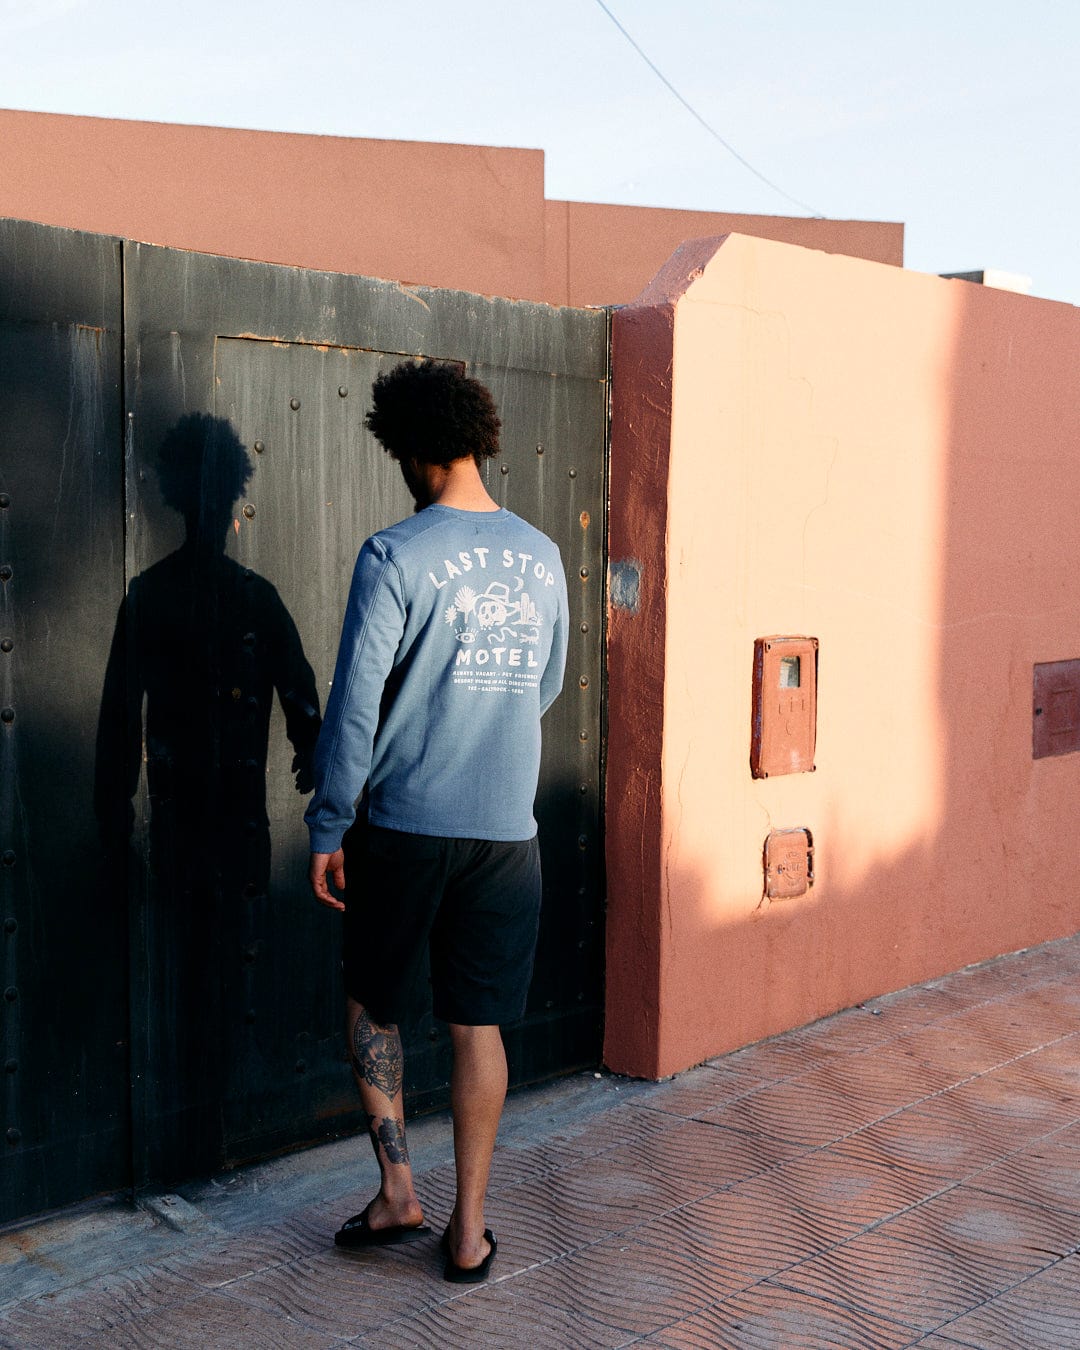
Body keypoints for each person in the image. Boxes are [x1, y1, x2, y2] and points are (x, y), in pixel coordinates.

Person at [305, 359, 568, 1283]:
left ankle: (398, 1193)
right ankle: (469, 1232)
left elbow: (355, 709)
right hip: (507, 833)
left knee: (374, 1003)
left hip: (405, 828)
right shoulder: (540, 555)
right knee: (478, 1025)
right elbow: (546, 686)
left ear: (411, 449)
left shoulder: (394, 554)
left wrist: (330, 825)